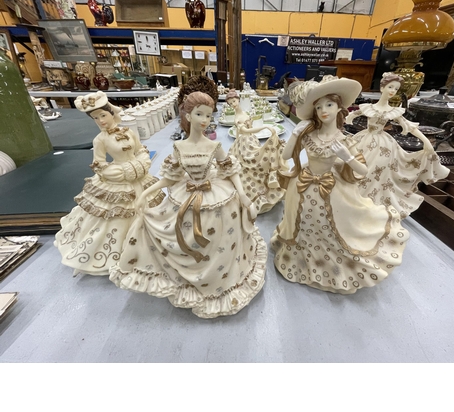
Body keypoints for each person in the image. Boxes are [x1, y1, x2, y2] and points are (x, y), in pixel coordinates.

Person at [109, 91, 267, 319]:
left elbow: (230, 170)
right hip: (187, 194)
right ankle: (188, 275)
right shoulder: (179, 147)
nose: (205, 120)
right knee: (166, 226)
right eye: (199, 114)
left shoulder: (214, 146)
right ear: (188, 115)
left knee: (219, 237)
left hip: (214, 196)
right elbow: (170, 178)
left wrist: (242, 195)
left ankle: (217, 279)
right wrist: (147, 193)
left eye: (209, 115)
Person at [271, 75, 410, 295]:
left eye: (329, 105)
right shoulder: (309, 135)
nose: (323, 110)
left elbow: (363, 171)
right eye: (318, 107)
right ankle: (303, 260)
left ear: (339, 108)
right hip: (304, 185)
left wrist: (347, 157)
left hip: (331, 187)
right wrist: (296, 133)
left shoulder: (344, 140)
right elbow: (286, 156)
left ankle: (330, 265)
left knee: (333, 227)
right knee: (302, 222)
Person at [54, 91, 164, 276]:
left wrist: (142, 162)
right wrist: (116, 172)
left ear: (112, 113)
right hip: (119, 180)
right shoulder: (100, 140)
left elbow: (140, 149)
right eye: (95, 118)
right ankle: (120, 255)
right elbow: (99, 163)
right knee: (117, 216)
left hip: (139, 176)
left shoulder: (129, 131)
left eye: (103, 115)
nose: (100, 121)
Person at [345, 72, 449, 219]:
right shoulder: (368, 107)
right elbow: (349, 115)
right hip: (364, 140)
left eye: (396, 89)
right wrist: (343, 120)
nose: (393, 91)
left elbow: (410, 127)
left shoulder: (393, 111)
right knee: (354, 167)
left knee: (376, 172)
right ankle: (350, 201)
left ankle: (368, 204)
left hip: (383, 146)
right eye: (390, 87)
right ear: (382, 88)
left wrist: (426, 142)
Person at [226, 89, 288, 214]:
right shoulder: (237, 118)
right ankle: (253, 194)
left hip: (252, 140)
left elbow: (242, 131)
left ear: (238, 99)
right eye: (230, 103)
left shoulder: (244, 112)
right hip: (245, 143)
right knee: (250, 166)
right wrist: (264, 127)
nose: (233, 104)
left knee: (260, 161)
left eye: (234, 101)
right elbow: (245, 131)